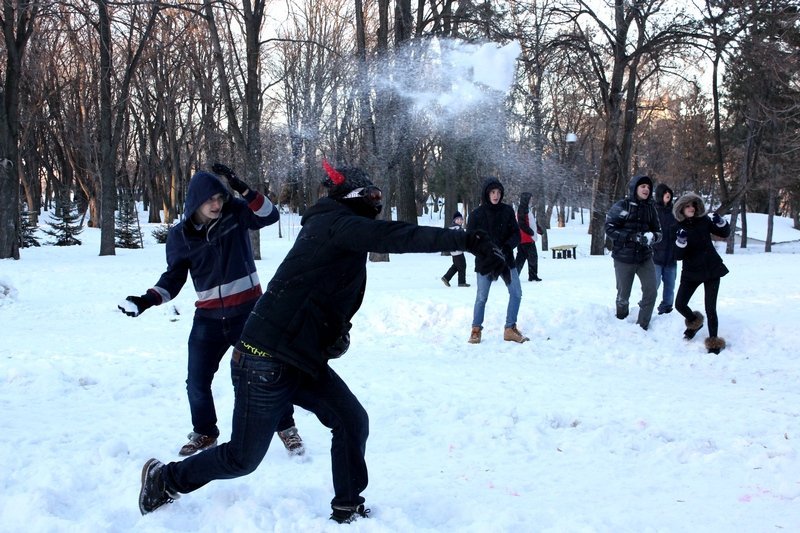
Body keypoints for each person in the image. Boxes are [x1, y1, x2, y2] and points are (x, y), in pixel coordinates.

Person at [137, 161, 507, 522]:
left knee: (351, 420)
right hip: (263, 359)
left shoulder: (340, 227)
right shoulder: (335, 222)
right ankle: (164, 479)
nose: (377, 202)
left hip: (298, 357)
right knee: (242, 458)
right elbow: (396, 236)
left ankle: (347, 506)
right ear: (354, 197)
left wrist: (334, 333)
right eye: (372, 195)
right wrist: (465, 239)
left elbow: (325, 293)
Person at [119, 164, 305, 457]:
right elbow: (174, 277)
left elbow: (270, 215)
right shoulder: (180, 236)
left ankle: (286, 427)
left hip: (247, 313)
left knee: (264, 373)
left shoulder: (236, 215)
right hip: (208, 319)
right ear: (196, 202)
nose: (217, 204)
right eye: (210, 200)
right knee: (196, 380)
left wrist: (241, 186)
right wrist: (146, 300)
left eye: (220, 197)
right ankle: (205, 433)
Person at [467, 177, 529, 344]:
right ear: (487, 194)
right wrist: (486, 252)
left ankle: (510, 328)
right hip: (485, 262)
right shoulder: (476, 215)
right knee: (481, 297)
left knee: (516, 292)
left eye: (498, 192)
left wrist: (507, 247)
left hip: (506, 260)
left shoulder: (507, 211)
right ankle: (476, 330)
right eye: (493, 192)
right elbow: (469, 241)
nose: (496, 195)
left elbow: (516, 234)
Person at [672, 192, 731, 354]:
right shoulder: (677, 227)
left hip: (711, 268)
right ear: (681, 209)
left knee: (710, 308)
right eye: (687, 205)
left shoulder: (704, 221)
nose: (691, 208)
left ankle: (714, 342)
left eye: (693, 205)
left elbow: (725, 234)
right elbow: (677, 256)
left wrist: (720, 222)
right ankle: (694, 322)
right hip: (691, 271)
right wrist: (681, 242)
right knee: (680, 304)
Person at [604, 175, 663, 330]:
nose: (646, 189)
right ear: (634, 188)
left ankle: (642, 326)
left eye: (649, 187)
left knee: (651, 292)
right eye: (643, 186)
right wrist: (631, 237)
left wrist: (652, 237)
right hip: (623, 258)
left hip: (644, 258)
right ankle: (621, 320)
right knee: (623, 295)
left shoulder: (651, 210)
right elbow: (609, 228)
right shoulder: (622, 206)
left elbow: (659, 232)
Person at [652, 183, 678, 314]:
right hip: (655, 257)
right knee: (652, 286)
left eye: (669, 193)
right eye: (665, 192)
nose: (668, 195)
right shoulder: (653, 210)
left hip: (671, 256)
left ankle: (666, 309)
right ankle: (646, 308)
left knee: (670, 286)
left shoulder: (675, 212)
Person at [514, 192, 542, 282]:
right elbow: (521, 223)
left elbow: (531, 222)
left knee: (520, 259)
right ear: (526, 199)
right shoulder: (522, 209)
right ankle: (532, 276)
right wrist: (530, 232)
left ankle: (513, 276)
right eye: (530, 198)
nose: (531, 200)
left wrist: (538, 230)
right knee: (532, 257)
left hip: (525, 238)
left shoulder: (526, 209)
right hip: (526, 238)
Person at [441, 211, 470, 287]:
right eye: (458, 219)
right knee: (462, 266)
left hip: (454, 251)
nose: (460, 221)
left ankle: (446, 277)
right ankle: (461, 282)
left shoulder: (451, 228)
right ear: (454, 221)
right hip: (458, 251)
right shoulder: (457, 229)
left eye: (461, 219)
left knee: (456, 266)